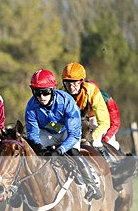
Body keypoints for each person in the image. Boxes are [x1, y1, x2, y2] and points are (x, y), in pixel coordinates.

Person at [25, 69, 102, 201]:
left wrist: (60, 150)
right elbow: (33, 134)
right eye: (37, 93)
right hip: (48, 132)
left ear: (53, 90)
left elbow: (74, 135)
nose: (41, 97)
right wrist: (39, 149)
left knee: (73, 151)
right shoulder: (31, 106)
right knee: (30, 152)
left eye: (45, 92)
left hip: (68, 132)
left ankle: (92, 185)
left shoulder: (67, 102)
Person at [60, 62, 111, 160]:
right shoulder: (61, 94)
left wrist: (92, 137)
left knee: (96, 143)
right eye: (67, 83)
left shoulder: (92, 91)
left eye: (75, 83)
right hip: (71, 122)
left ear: (81, 81)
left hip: (92, 119)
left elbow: (104, 122)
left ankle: (108, 165)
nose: (71, 87)